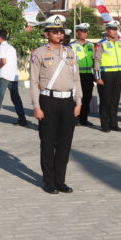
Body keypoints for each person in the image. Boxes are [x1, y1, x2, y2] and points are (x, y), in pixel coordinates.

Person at [30, 14, 82, 194]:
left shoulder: (70, 52)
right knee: (47, 142)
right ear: (46, 34)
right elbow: (33, 81)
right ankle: (49, 181)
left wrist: (79, 102)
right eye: (55, 31)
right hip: (48, 101)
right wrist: (36, 106)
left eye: (61, 31)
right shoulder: (38, 53)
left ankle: (60, 180)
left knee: (64, 144)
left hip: (67, 101)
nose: (59, 34)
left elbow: (77, 79)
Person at [0, 29, 27, 126]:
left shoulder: (2, 47)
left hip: (4, 75)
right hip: (13, 76)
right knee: (16, 98)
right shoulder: (11, 47)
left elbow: (3, 61)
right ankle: (22, 119)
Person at [93, 21, 121, 133]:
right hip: (106, 74)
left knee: (115, 101)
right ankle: (105, 125)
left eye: (116, 29)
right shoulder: (101, 43)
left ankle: (114, 124)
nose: (114, 32)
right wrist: (98, 77)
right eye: (112, 29)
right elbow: (96, 60)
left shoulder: (120, 44)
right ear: (107, 31)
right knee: (105, 100)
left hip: (117, 73)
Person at [69, 23, 95, 126]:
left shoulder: (91, 45)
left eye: (86, 31)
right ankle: (75, 119)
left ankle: (84, 119)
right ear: (77, 32)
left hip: (89, 74)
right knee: (77, 97)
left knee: (87, 97)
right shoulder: (72, 46)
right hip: (77, 75)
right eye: (82, 31)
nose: (85, 33)